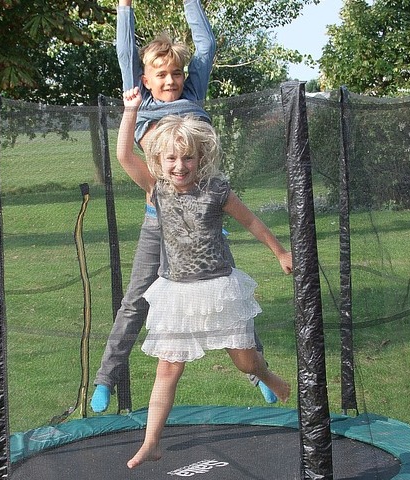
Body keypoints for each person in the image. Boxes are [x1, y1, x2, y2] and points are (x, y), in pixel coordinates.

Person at [91, 0, 276, 413]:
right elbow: (125, 52)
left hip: (205, 217)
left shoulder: (193, 92)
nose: (171, 80)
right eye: (162, 74)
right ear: (146, 79)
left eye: (177, 72)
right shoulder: (139, 102)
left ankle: (256, 371)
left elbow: (206, 45)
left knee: (226, 298)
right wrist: (124, 8)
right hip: (160, 221)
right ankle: (106, 378)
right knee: (136, 299)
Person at [117, 88, 292, 469]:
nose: (179, 166)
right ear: (160, 162)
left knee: (244, 362)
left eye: (187, 158)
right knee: (168, 366)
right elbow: (124, 156)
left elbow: (252, 222)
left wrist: (280, 252)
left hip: (217, 288)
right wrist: (131, 111)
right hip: (177, 292)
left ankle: (266, 375)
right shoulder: (157, 189)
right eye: (171, 159)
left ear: (200, 158)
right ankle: (151, 442)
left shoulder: (216, 190)